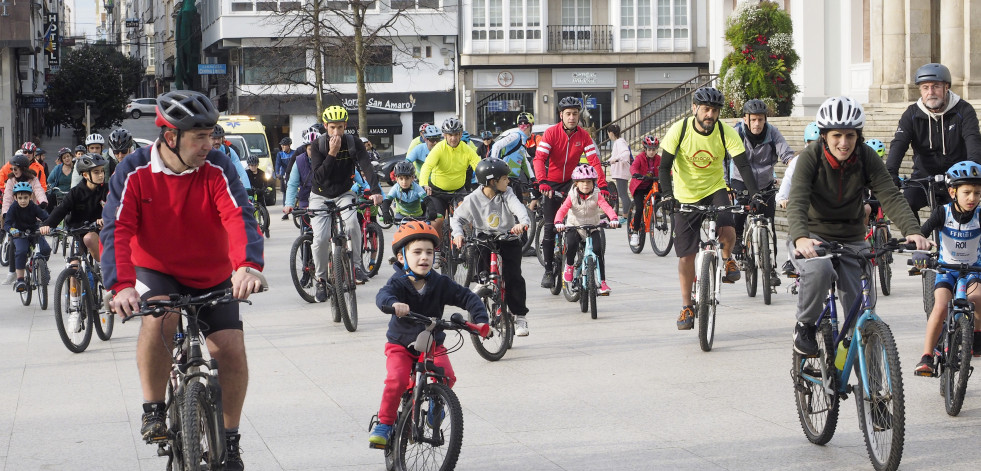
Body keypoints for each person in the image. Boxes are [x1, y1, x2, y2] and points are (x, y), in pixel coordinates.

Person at [102, 90, 265, 471]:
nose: (210, 144)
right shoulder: (134, 171)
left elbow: (239, 215)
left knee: (230, 348)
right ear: (170, 137)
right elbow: (116, 228)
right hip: (156, 269)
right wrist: (121, 285)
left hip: (211, 273)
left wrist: (247, 264)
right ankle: (153, 410)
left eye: (212, 135)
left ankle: (231, 440)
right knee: (160, 319)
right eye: (200, 137)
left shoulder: (219, 167)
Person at [787, 96, 930, 356]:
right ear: (824, 136)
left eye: (850, 136)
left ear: (858, 136)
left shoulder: (865, 156)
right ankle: (805, 326)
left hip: (852, 238)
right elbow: (797, 200)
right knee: (818, 270)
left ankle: (874, 390)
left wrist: (912, 231)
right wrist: (800, 238)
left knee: (863, 316)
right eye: (837, 136)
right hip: (813, 236)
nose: (844, 143)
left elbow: (889, 194)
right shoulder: (811, 157)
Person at [367, 222, 488, 447]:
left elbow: (468, 297)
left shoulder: (440, 283)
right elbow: (382, 296)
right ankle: (385, 423)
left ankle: (436, 403)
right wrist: (394, 304)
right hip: (401, 345)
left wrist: (480, 320)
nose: (424, 257)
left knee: (447, 375)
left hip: (432, 344)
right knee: (397, 380)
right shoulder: (398, 282)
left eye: (429, 252)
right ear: (402, 258)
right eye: (417, 252)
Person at [657, 87, 760, 329]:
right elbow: (664, 168)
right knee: (685, 255)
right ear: (694, 109)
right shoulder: (679, 130)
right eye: (706, 109)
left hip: (715, 189)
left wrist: (755, 194)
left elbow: (743, 165)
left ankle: (728, 259)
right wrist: (668, 195)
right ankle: (686, 307)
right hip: (685, 195)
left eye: (714, 110)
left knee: (728, 226)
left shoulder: (725, 132)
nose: (710, 114)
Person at [911, 161, 981, 376]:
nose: (972, 198)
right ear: (952, 192)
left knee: (978, 297)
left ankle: (976, 337)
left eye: (977, 193)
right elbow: (921, 234)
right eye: (967, 192)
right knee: (940, 306)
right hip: (946, 269)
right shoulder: (942, 213)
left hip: (973, 270)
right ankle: (927, 356)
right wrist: (920, 252)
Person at [533, 97, 610, 289]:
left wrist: (603, 185)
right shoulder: (551, 133)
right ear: (561, 115)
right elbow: (539, 158)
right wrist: (542, 181)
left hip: (572, 183)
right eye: (568, 114)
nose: (572, 117)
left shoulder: (583, 136)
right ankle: (549, 270)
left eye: (575, 113)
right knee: (550, 227)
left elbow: (594, 161)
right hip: (551, 184)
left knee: (579, 223)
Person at [308, 105, 383, 299]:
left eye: (340, 127)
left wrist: (375, 190)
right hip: (320, 195)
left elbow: (366, 166)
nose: (336, 132)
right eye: (332, 127)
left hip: (344, 192)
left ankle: (357, 267)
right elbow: (318, 178)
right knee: (321, 238)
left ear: (345, 125)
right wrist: (332, 153)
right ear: (325, 126)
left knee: (352, 224)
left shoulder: (353, 142)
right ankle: (321, 280)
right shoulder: (318, 146)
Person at [886, 63, 981, 215]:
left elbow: (973, 140)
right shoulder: (911, 114)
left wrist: (973, 171)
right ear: (920, 90)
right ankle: (917, 238)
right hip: (923, 177)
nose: (930, 92)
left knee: (963, 215)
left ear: (946, 87)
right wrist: (890, 173)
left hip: (957, 177)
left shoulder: (964, 110)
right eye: (925, 87)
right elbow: (899, 144)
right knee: (905, 207)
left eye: (936, 86)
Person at [450, 158, 530, 335]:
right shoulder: (472, 199)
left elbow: (519, 208)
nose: (508, 181)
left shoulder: (507, 193)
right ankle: (483, 281)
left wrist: (522, 223)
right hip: (485, 237)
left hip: (507, 236)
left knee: (514, 276)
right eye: (504, 178)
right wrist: (458, 234)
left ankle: (520, 317)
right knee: (478, 248)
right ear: (492, 182)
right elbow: (457, 218)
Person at [730, 99, 795, 285]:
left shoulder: (772, 132)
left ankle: (771, 268)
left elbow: (786, 154)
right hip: (741, 180)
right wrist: (727, 185)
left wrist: (794, 166)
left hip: (765, 183)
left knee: (770, 225)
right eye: (754, 119)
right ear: (745, 119)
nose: (757, 124)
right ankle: (739, 240)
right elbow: (724, 157)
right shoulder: (737, 132)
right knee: (740, 214)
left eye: (761, 119)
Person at [555, 163, 621, 295]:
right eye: (582, 182)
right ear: (576, 183)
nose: (586, 185)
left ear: (593, 183)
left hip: (592, 227)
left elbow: (606, 207)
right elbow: (562, 210)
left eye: (589, 182)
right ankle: (569, 266)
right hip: (574, 226)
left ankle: (602, 282)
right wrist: (558, 222)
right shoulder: (572, 195)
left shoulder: (597, 195)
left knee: (598, 250)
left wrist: (613, 218)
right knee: (572, 244)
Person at [39, 154, 108, 266]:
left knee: (89, 238)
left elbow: (114, 206)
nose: (101, 175)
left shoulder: (107, 189)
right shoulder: (75, 192)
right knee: (74, 265)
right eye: (96, 172)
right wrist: (47, 224)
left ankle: (103, 267)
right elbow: (61, 209)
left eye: (102, 171)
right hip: (78, 231)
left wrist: (105, 219)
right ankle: (74, 280)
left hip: (99, 232)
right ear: (85, 175)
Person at [419, 117, 481, 237]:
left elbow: (478, 166)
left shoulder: (467, 149)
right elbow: (427, 166)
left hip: (458, 191)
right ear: (445, 135)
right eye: (450, 135)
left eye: (456, 134)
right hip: (438, 192)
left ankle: (467, 247)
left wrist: (486, 182)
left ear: (460, 134)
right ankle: (437, 250)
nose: (453, 138)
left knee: (467, 219)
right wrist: (424, 183)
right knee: (437, 221)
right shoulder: (438, 148)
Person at [778, 121, 820, 276]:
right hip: (803, 200)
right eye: (810, 143)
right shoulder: (799, 160)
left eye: (817, 143)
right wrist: (782, 197)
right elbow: (788, 179)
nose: (813, 147)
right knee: (797, 223)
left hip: (821, 204)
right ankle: (791, 259)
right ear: (805, 143)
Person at [3, 182, 51, 293]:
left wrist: (49, 225)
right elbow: (7, 224)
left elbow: (46, 217)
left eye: (26, 197)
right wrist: (11, 230)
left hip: (34, 232)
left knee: (45, 249)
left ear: (30, 197)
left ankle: (39, 265)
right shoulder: (13, 208)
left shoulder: (33, 206)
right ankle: (20, 280)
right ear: (15, 198)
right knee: (21, 251)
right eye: (20, 198)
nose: (23, 201)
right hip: (19, 234)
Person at [489, 115, 537, 203]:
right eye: (520, 124)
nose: (523, 127)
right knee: (508, 206)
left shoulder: (523, 142)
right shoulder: (516, 136)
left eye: (526, 124)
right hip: (505, 177)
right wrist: (494, 167)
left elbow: (524, 162)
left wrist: (533, 179)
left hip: (514, 179)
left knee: (518, 203)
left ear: (530, 125)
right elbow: (496, 145)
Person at [628, 136, 661, 247]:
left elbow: (665, 168)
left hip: (651, 184)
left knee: (661, 189)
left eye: (654, 149)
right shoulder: (640, 158)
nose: (652, 152)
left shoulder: (658, 159)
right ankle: (635, 232)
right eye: (649, 149)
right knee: (640, 208)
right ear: (645, 149)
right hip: (639, 186)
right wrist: (636, 174)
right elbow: (634, 167)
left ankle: (656, 207)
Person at [283, 130, 321, 214]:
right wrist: (289, 204)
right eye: (310, 149)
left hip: (324, 199)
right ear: (305, 149)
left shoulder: (328, 157)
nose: (314, 152)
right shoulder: (299, 161)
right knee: (305, 223)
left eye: (316, 148)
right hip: (306, 198)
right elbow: (292, 184)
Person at [210, 125, 252, 192]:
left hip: (224, 189)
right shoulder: (202, 153)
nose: (217, 142)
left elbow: (241, 172)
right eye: (214, 138)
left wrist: (248, 189)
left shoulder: (228, 151)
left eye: (219, 138)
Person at [606, 123, 632, 219]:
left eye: (608, 133)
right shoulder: (618, 142)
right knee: (623, 194)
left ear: (611, 133)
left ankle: (626, 216)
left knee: (622, 194)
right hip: (620, 172)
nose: (608, 135)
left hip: (622, 173)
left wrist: (616, 159)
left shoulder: (620, 142)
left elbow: (625, 154)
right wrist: (609, 161)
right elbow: (615, 156)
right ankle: (628, 214)